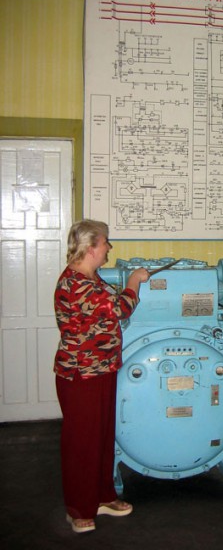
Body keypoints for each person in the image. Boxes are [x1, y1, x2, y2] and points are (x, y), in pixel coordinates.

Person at [54, 219, 150, 533]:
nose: (109, 247)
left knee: (102, 437)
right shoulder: (76, 283)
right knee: (82, 442)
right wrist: (134, 280)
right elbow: (121, 308)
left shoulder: (91, 277)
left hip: (102, 368)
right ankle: (78, 509)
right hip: (81, 373)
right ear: (91, 247)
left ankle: (102, 497)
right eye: (105, 242)